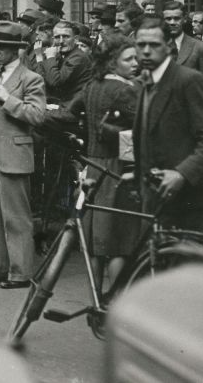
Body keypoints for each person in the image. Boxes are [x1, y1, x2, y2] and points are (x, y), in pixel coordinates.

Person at [57, 35, 141, 286]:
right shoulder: (126, 91)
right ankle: (114, 300)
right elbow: (140, 129)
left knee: (97, 238)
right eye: (129, 59)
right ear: (112, 63)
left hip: (94, 167)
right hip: (118, 168)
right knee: (119, 241)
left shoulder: (92, 86)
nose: (135, 63)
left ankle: (96, 297)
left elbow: (70, 112)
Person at [0, 21, 47, 289]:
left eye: (1, 47)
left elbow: (37, 115)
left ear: (16, 50)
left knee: (16, 216)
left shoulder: (30, 78)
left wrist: (8, 99)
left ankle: (20, 272)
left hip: (13, 152)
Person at [132, 17, 203, 231]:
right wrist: (139, 174)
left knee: (186, 263)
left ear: (168, 46)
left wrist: (182, 173)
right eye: (141, 45)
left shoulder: (188, 80)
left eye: (154, 45)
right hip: (154, 198)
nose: (146, 51)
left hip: (188, 202)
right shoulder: (144, 82)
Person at [35, 20, 93, 109]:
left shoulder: (78, 57)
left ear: (76, 39)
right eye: (57, 37)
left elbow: (55, 82)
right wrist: (40, 58)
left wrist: (50, 57)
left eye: (66, 37)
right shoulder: (61, 55)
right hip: (61, 105)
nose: (61, 41)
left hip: (73, 110)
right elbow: (42, 80)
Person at [162, 0, 203, 78]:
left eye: (176, 18)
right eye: (168, 19)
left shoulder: (199, 47)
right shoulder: (156, 46)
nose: (172, 22)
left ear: (184, 19)